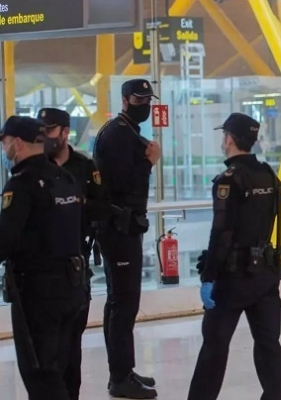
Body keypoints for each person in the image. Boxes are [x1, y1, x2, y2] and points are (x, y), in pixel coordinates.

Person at [187, 113, 281, 400]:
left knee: (214, 349)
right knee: (268, 345)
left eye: (223, 136)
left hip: (233, 278)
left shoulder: (229, 180)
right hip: (265, 274)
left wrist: (208, 277)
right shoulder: (268, 174)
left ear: (229, 139)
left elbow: (222, 233)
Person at [0, 116, 87, 399]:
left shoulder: (21, 184)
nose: (4, 150)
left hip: (37, 295)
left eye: (4, 143)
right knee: (62, 370)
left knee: (40, 375)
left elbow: (6, 241)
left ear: (17, 143)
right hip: (73, 288)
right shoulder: (66, 178)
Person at [93, 79, 160, 398]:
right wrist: (148, 162)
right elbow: (121, 182)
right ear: (124, 99)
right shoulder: (119, 133)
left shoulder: (126, 130)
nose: (144, 103)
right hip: (118, 228)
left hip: (125, 227)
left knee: (120, 301)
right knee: (124, 302)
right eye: (138, 98)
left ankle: (122, 370)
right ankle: (120, 377)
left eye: (148, 98)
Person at [38, 108, 111, 400]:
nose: (44, 136)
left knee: (71, 347)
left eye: (50, 130)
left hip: (75, 267)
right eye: (41, 130)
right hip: (42, 270)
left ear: (65, 132)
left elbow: (102, 207)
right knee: (45, 352)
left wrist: (74, 206)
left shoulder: (83, 167)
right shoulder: (35, 168)